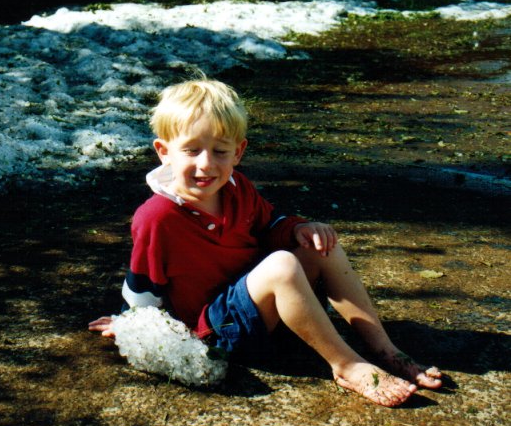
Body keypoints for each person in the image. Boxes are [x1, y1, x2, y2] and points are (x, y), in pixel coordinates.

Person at [89, 78, 442, 407]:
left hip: (256, 306)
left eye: (220, 151)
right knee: (282, 266)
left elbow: (268, 225)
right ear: (164, 152)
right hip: (215, 331)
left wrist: (299, 229)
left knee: (321, 243)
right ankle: (347, 364)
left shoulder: (236, 188)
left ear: (238, 152)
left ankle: (383, 348)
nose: (206, 164)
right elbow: (143, 279)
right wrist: (128, 323)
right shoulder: (158, 216)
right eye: (192, 150)